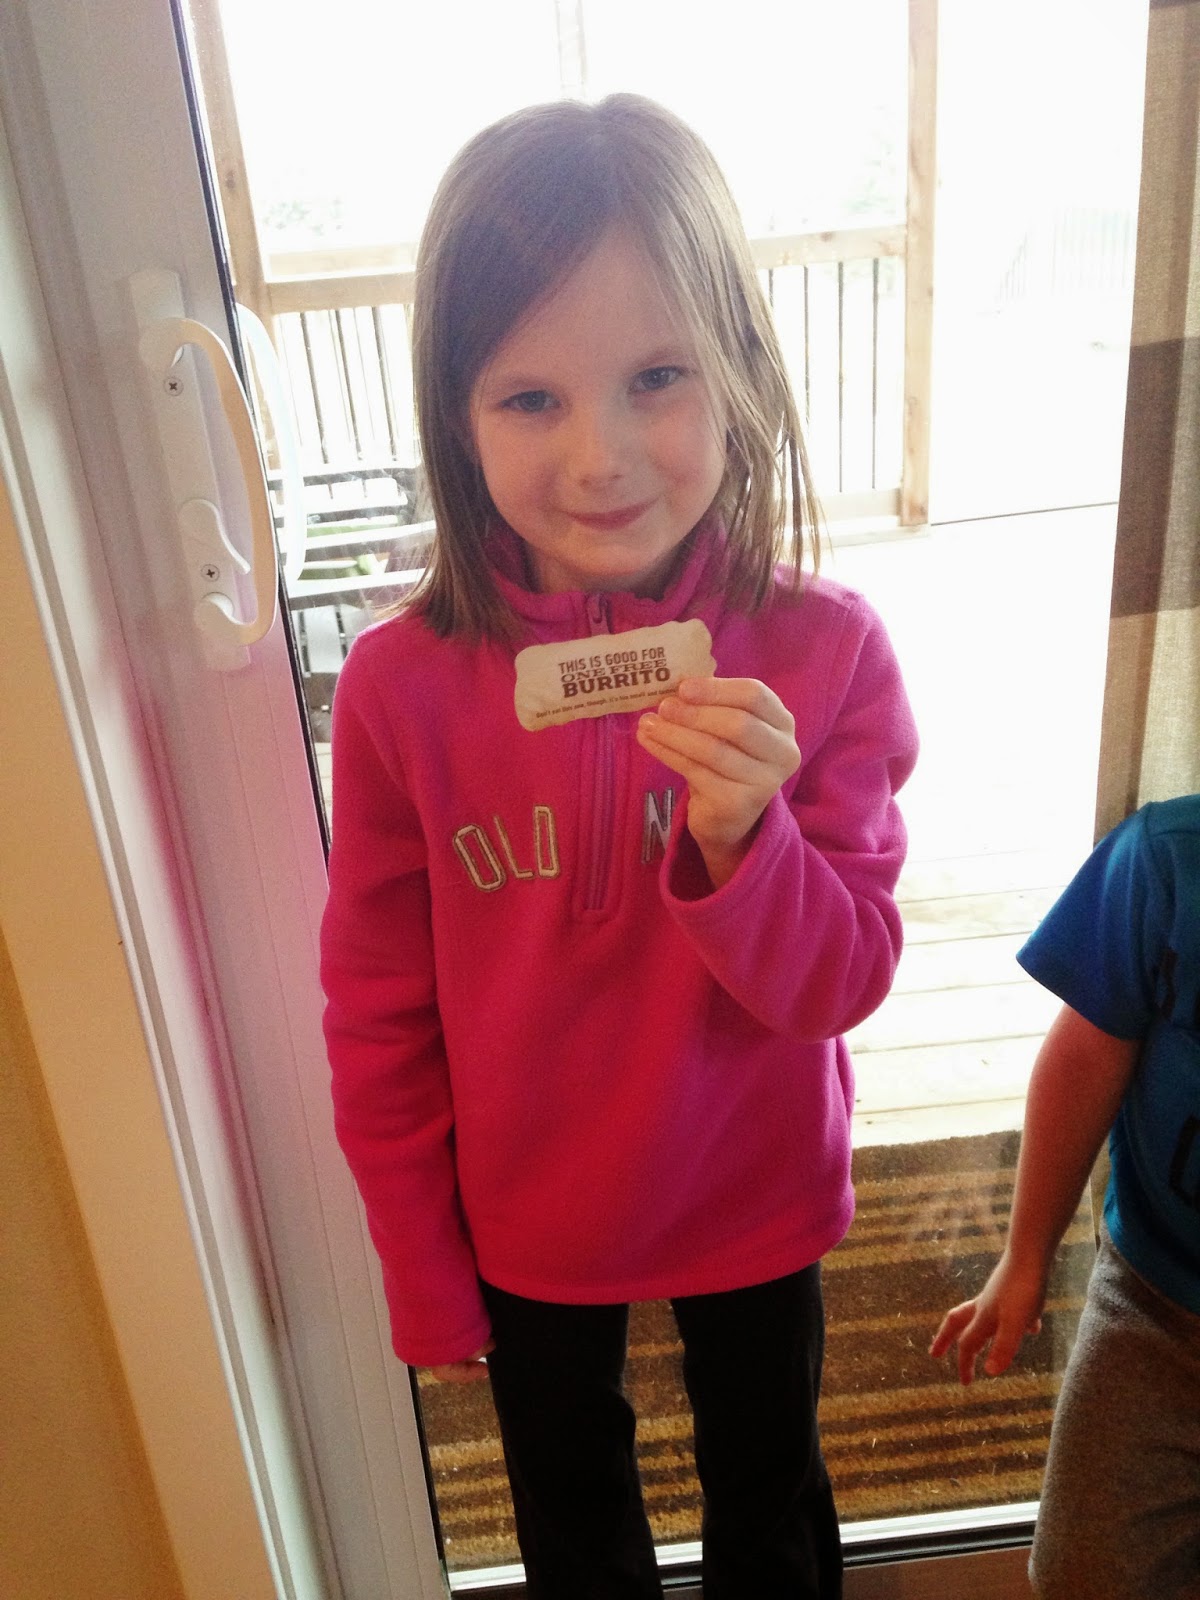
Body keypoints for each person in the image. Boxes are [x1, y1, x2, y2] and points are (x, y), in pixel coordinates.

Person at [320, 93, 918, 1600]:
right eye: (530, 398)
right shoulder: (401, 688)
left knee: (771, 1501)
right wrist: (419, 1256)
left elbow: (844, 978)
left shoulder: (827, 651)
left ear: (740, 371)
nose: (600, 457)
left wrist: (748, 843)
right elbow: (378, 1006)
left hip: (753, 1186)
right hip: (526, 1216)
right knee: (573, 1526)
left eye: (657, 377)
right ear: (455, 416)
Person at [930, 794, 1200, 1600]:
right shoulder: (1167, 857)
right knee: (1085, 1569)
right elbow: (1086, 1057)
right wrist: (1025, 1257)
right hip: (1156, 1308)